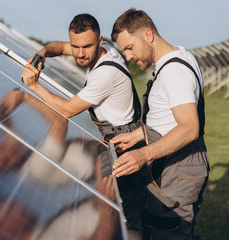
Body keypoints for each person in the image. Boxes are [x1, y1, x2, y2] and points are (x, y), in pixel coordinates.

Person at [21, 13, 145, 239]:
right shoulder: (102, 49)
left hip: (124, 146)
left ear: (99, 41)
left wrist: (34, 85)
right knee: (111, 209)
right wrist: (43, 52)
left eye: (86, 46)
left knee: (122, 215)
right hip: (115, 140)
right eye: (75, 46)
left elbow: (68, 110)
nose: (79, 53)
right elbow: (58, 46)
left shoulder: (105, 74)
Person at [110, 8, 210, 240]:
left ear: (148, 35)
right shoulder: (178, 58)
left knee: (169, 233)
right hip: (172, 166)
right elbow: (168, 119)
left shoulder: (173, 71)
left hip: (177, 170)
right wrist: (138, 134)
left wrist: (143, 155)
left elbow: (189, 127)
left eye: (129, 47)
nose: (127, 57)